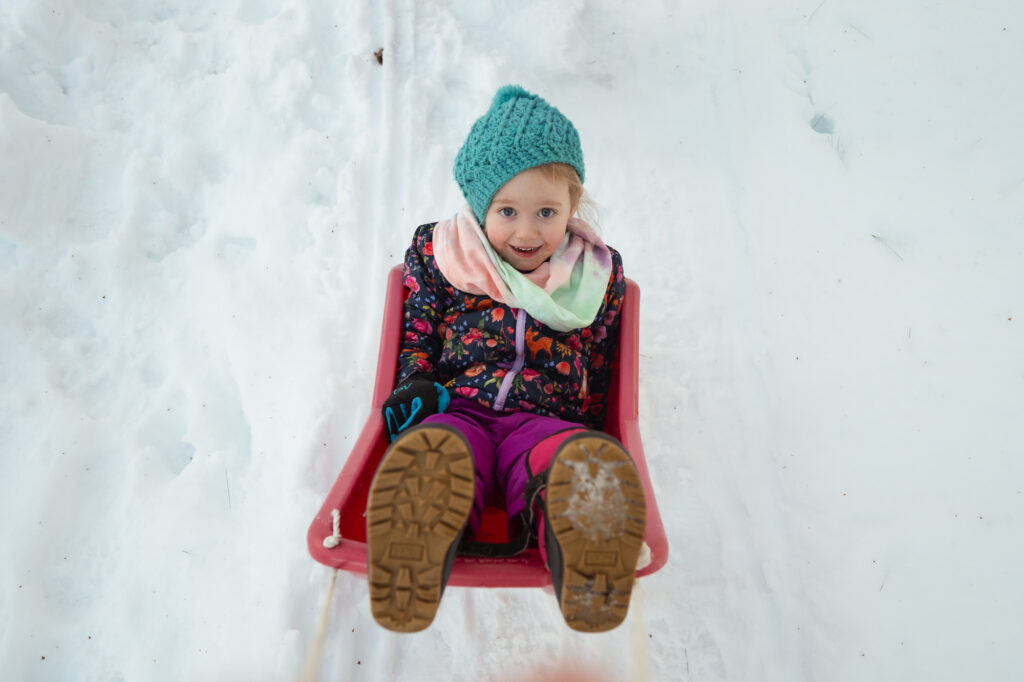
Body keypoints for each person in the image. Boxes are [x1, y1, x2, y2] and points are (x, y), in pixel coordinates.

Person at [366, 85, 646, 634]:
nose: (526, 231)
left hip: (543, 420)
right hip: (458, 407)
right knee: (443, 451)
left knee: (561, 459)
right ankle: (424, 519)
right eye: (507, 210)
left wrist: (591, 430)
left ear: (573, 205)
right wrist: (415, 384)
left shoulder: (590, 277)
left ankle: (579, 520)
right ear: (479, 206)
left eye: (547, 211)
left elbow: (602, 361)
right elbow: (418, 326)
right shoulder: (447, 257)